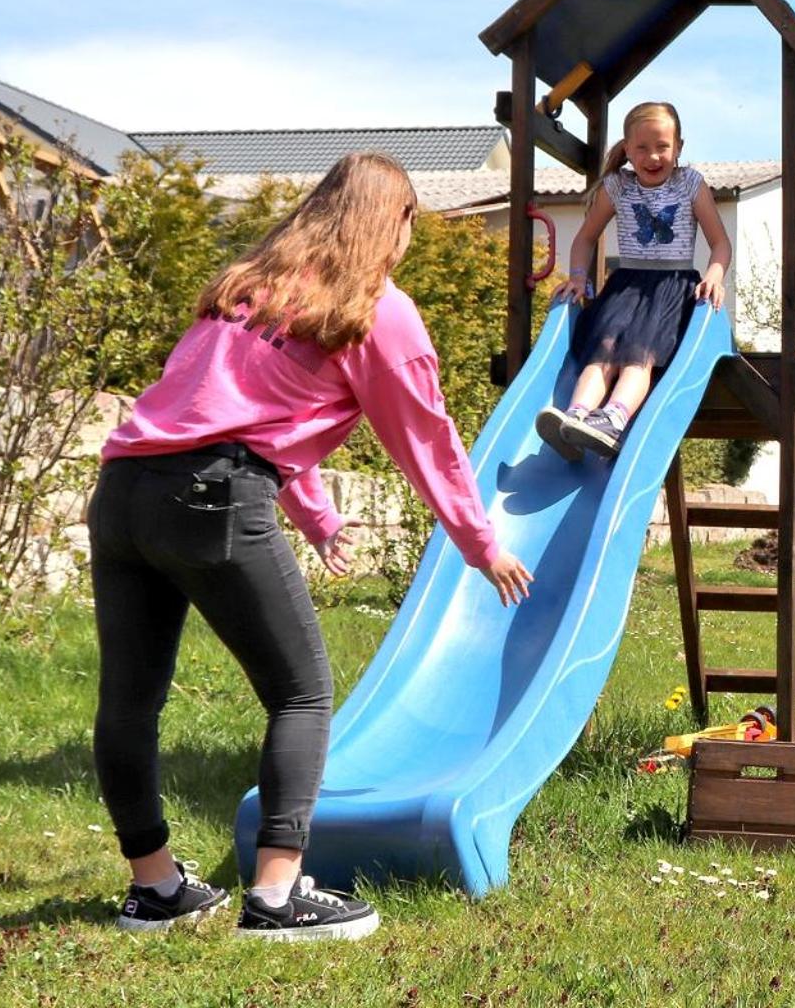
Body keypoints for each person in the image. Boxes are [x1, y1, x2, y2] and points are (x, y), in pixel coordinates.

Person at [90, 152, 533, 940]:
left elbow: (231, 413)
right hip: (211, 497)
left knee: (130, 700)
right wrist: (480, 542)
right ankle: (275, 896)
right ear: (389, 223)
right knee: (303, 692)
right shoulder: (376, 308)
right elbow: (425, 437)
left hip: (123, 492)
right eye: (409, 223)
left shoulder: (247, 289)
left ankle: (154, 889)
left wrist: (319, 519)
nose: (408, 240)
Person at [535, 101, 731, 460]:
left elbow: (720, 242)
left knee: (638, 355)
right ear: (627, 150)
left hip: (672, 288)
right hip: (625, 286)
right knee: (603, 351)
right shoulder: (617, 186)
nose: (652, 156)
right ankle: (575, 417)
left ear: (679, 148)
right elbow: (585, 238)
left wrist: (715, 275)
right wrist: (577, 277)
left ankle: (613, 418)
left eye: (662, 146)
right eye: (641, 148)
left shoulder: (690, 183)